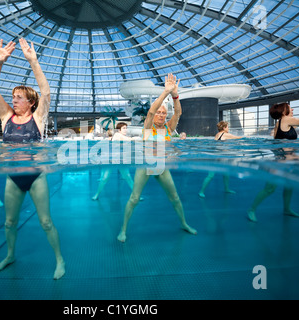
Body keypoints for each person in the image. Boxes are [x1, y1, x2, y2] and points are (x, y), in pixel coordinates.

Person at [0, 38, 65, 279]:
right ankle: (10, 255)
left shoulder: (38, 118)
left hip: (35, 175)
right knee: (9, 223)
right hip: (13, 176)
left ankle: (59, 260)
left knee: (46, 222)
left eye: (19, 97)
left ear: (31, 103)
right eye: (14, 96)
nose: (14, 100)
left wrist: (33, 61)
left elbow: (47, 92)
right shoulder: (5, 118)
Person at [117, 73, 197, 243]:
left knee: (174, 198)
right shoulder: (147, 127)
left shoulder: (169, 128)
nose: (160, 114)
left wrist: (175, 95)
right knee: (134, 198)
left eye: (163, 113)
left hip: (161, 167)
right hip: (145, 166)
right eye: (158, 112)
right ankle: (123, 229)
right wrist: (165, 92)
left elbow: (178, 112)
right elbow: (152, 110)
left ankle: (184, 223)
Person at [247, 102, 299, 222]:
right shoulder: (286, 120)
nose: (292, 109)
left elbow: (279, 138)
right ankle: (251, 210)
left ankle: (287, 209)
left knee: (289, 185)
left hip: (289, 160)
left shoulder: (282, 123)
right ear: (283, 111)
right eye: (289, 108)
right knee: (269, 189)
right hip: (281, 162)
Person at [92, 122, 140, 200]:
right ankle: (97, 195)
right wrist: (139, 138)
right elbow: (130, 140)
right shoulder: (118, 135)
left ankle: (137, 196)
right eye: (124, 128)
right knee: (104, 179)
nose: (126, 130)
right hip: (111, 161)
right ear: (119, 130)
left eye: (126, 128)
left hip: (120, 161)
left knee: (128, 177)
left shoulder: (122, 136)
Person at [198, 121, 242, 198]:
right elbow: (239, 138)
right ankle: (201, 191)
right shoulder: (226, 134)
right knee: (213, 175)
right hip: (221, 157)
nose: (228, 128)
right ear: (224, 128)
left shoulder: (217, 134)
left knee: (223, 174)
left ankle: (226, 189)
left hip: (215, 156)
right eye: (227, 127)